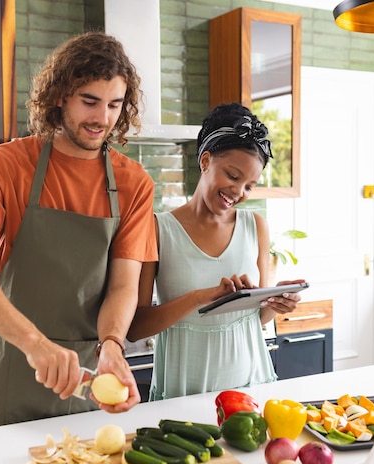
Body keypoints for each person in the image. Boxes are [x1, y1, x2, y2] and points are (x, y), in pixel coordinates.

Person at [0, 31, 158, 428]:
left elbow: (124, 285)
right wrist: (35, 344)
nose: (102, 118)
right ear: (60, 96)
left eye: (114, 104)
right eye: (89, 102)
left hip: (90, 377)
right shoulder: (7, 164)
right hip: (17, 363)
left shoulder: (134, 183)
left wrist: (112, 345)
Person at [127, 102, 305, 401]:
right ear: (206, 161)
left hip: (253, 386)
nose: (239, 192)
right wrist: (200, 297)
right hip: (182, 391)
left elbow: (255, 318)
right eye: (233, 176)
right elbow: (136, 328)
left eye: (250, 185)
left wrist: (276, 302)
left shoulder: (256, 226)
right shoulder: (158, 229)